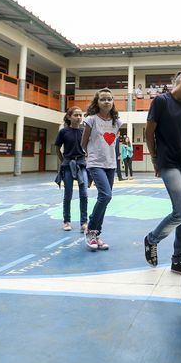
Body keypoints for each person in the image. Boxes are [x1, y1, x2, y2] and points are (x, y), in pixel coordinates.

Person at [143, 71, 181, 274]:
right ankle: (152, 239)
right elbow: (149, 132)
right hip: (168, 162)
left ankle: (177, 260)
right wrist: (155, 159)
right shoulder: (160, 101)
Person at [82, 88, 123, 251]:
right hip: (95, 163)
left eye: (109, 99)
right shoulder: (91, 120)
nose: (107, 101)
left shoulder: (117, 122)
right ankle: (91, 230)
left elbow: (112, 142)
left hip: (110, 164)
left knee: (105, 198)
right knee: (105, 195)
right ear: (97, 102)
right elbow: (83, 142)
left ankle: (96, 234)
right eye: (103, 99)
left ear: (113, 102)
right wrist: (90, 156)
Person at [55, 107, 89, 233]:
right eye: (76, 115)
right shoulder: (63, 132)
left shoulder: (85, 131)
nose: (79, 117)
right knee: (68, 194)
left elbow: (89, 146)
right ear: (69, 117)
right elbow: (57, 148)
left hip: (81, 164)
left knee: (84, 194)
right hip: (68, 164)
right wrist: (63, 160)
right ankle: (67, 221)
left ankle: (84, 222)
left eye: (80, 115)